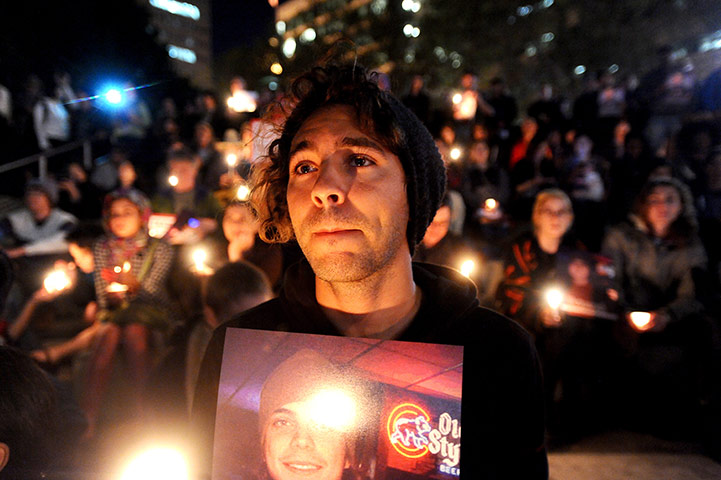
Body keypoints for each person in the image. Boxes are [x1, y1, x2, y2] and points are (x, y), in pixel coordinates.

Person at [192, 63, 547, 479]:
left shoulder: (499, 354)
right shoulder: (234, 346)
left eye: (359, 159)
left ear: (414, 193)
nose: (325, 187)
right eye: (304, 167)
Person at [82, 189, 175, 438]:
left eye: (127, 213)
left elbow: (154, 294)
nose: (120, 219)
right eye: (114, 214)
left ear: (142, 215)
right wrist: (112, 296)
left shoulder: (160, 247)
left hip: (150, 312)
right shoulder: (102, 247)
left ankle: (145, 412)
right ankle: (87, 419)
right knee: (108, 334)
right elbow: (103, 297)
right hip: (116, 314)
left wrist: (132, 284)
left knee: (135, 332)